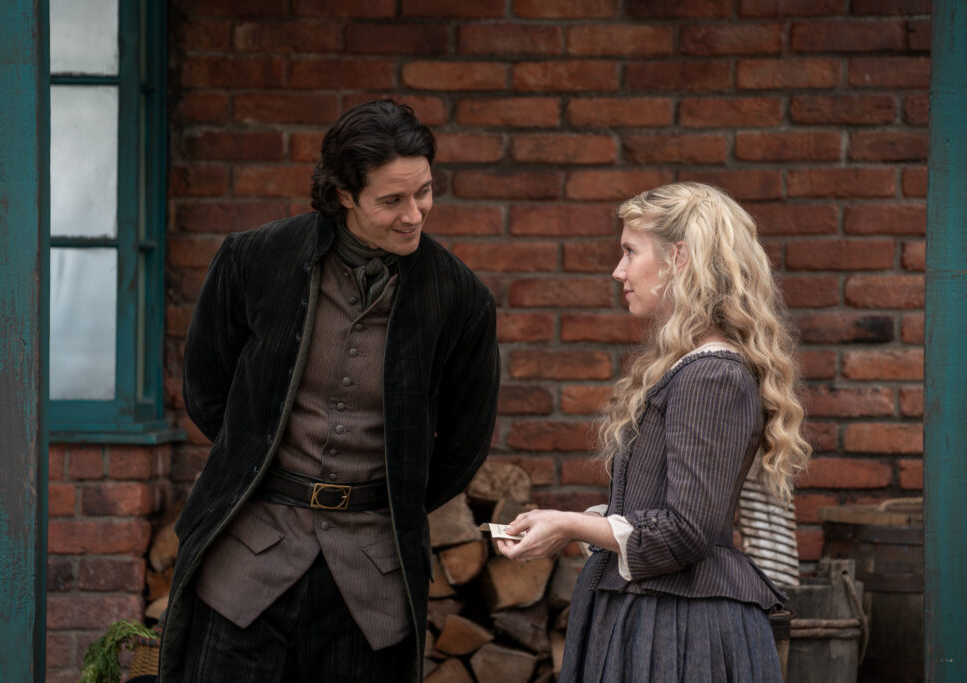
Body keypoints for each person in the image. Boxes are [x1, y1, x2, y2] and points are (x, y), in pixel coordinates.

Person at [158, 99, 501, 683]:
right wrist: (259, 461)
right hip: (247, 559)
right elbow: (207, 388)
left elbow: (464, 444)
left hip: (372, 578)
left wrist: (391, 497)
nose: (414, 214)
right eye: (391, 200)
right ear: (344, 194)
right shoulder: (256, 258)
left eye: (424, 192)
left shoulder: (460, 299)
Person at [497, 182, 811, 682]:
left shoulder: (712, 376)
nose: (618, 270)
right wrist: (568, 524)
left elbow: (686, 531)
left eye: (630, 251)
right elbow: (664, 514)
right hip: (656, 614)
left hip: (679, 632)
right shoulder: (689, 368)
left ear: (678, 258)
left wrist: (571, 525)